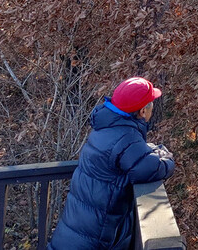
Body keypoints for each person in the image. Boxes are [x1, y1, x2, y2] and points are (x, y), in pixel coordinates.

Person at [47, 76, 175, 250]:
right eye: (151, 104)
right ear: (143, 111)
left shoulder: (105, 127)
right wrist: (167, 156)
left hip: (76, 229)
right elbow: (151, 168)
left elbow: (139, 157)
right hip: (94, 236)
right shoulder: (125, 137)